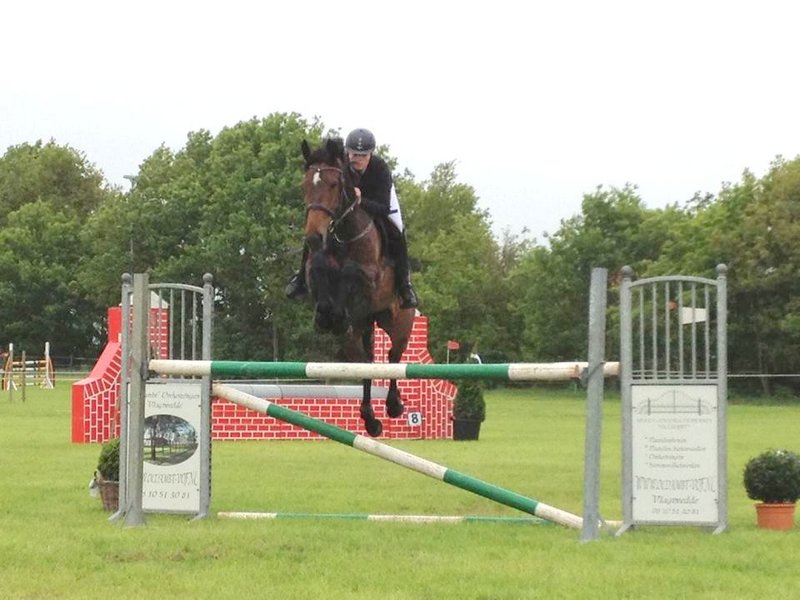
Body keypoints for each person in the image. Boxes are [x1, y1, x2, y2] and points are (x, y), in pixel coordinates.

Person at [286, 128, 419, 309]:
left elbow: (383, 207)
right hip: (348, 207)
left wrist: (361, 200)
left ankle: (405, 286)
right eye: (354, 154)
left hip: (377, 202)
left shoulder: (380, 168)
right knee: (315, 229)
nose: (358, 159)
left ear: (370, 155)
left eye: (363, 155)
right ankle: (301, 277)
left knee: (397, 229)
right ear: (347, 152)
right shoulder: (340, 165)